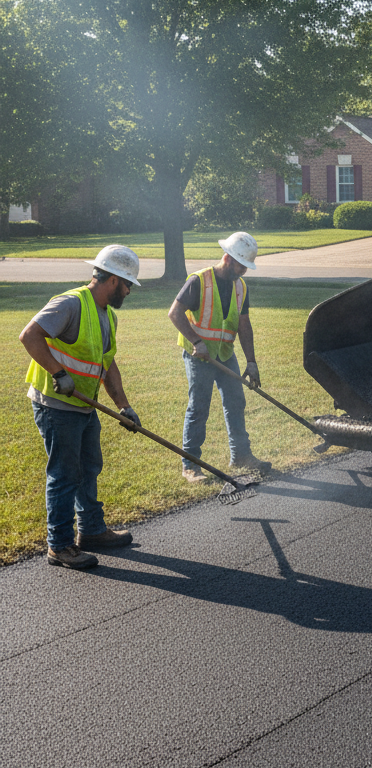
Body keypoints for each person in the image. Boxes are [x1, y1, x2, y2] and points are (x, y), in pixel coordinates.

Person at [20, 245, 142, 570]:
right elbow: (29, 335)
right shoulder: (70, 303)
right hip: (57, 405)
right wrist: (58, 373)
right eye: (128, 284)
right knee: (64, 474)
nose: (129, 291)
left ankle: (91, 530)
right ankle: (59, 545)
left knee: (89, 466)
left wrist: (125, 406)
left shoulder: (107, 315)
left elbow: (107, 365)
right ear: (113, 280)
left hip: (85, 407)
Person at [167, 232, 271, 483]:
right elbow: (174, 313)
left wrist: (252, 362)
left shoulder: (240, 286)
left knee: (236, 401)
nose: (244, 271)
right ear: (227, 258)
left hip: (224, 354)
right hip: (198, 356)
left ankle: (241, 456)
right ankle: (190, 465)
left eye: (246, 267)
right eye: (241, 265)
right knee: (199, 407)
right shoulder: (199, 281)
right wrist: (197, 342)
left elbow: (244, 325)